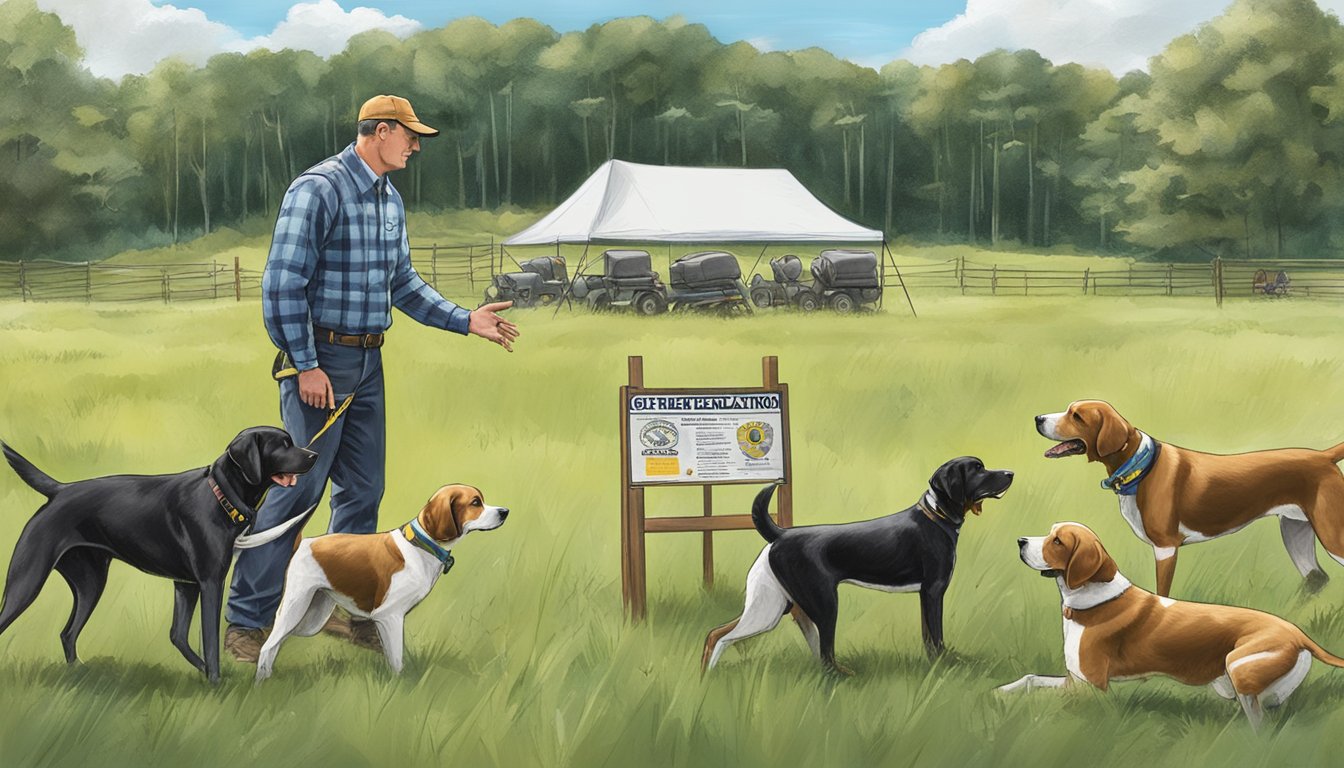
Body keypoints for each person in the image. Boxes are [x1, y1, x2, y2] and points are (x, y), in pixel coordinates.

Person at [224, 94, 519, 662]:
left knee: (363, 490)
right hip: (320, 362)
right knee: (298, 489)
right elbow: (281, 284)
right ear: (379, 131)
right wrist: (306, 363)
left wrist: (466, 320)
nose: (414, 147)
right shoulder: (317, 189)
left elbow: (403, 285)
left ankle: (345, 606)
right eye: (409, 136)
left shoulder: (389, 200)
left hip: (367, 361)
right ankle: (246, 620)